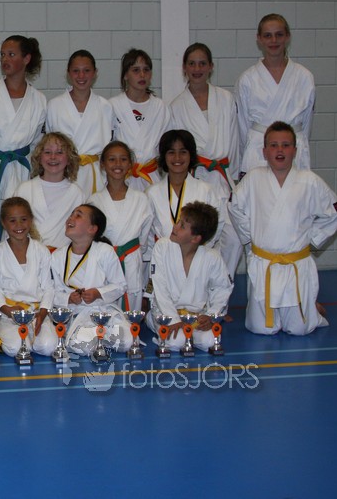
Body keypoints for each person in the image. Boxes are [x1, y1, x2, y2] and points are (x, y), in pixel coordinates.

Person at [229, 121, 337, 336]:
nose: (279, 150)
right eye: (273, 145)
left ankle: (310, 309)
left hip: (295, 265)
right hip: (264, 263)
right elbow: (234, 206)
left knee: (299, 330)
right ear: (264, 152)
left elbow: (336, 211)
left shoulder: (309, 181)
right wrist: (249, 236)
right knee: (261, 329)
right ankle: (305, 307)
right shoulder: (253, 178)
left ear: (295, 151)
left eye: (286, 145)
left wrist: (312, 237)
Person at [170, 42, 243, 277]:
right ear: (184, 68)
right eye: (192, 64)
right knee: (200, 238)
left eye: (202, 63)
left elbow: (235, 139)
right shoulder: (177, 106)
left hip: (222, 177)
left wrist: (234, 176)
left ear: (211, 66)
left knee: (234, 236)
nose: (197, 69)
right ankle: (199, 288)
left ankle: (222, 287)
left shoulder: (226, 98)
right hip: (197, 177)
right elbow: (178, 150)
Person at [0, 36, 47, 227]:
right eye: (2, 54)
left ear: (26, 59)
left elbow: (37, 144)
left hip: (20, 170)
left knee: (17, 221)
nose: (5, 59)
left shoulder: (39, 100)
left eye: (11, 54)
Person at [147, 202, 233, 352]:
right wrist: (172, 319)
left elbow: (222, 288)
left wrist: (211, 316)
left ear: (195, 238)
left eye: (182, 226)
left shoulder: (212, 257)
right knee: (177, 342)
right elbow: (159, 286)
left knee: (210, 341)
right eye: (178, 221)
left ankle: (189, 333)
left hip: (196, 316)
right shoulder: (162, 247)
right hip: (166, 311)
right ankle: (152, 319)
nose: (175, 227)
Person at [236, 14, 314, 175]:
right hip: (259, 150)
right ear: (259, 39)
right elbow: (243, 127)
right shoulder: (247, 79)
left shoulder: (304, 76)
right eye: (267, 35)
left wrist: (295, 142)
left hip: (293, 149)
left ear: (287, 37)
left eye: (279, 34)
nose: (274, 40)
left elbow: (307, 123)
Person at [50, 204, 132, 356]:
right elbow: (53, 291)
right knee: (81, 346)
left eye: (78, 215)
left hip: (104, 311)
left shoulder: (105, 251)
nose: (71, 218)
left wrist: (98, 293)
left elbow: (120, 285)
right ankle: (95, 336)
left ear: (92, 229)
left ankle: (101, 335)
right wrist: (68, 298)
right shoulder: (57, 256)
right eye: (71, 214)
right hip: (78, 314)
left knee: (126, 342)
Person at [88, 141, 154, 313]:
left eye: (123, 159)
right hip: (104, 261)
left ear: (130, 164)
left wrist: (134, 252)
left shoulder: (141, 199)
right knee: (104, 308)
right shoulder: (94, 200)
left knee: (131, 309)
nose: (118, 164)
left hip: (131, 260)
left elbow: (144, 238)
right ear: (102, 164)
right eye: (112, 159)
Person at [0, 197, 54, 357]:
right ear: (3, 223)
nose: (19, 225)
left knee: (48, 346)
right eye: (12, 221)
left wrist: (43, 313)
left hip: (37, 312)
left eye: (23, 219)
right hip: (9, 314)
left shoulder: (41, 251)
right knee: (16, 348)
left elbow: (48, 287)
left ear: (30, 220)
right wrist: (8, 310)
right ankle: (5, 334)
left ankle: (34, 335)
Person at [146, 130, 226, 252]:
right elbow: (148, 233)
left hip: (198, 254)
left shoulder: (206, 190)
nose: (177, 158)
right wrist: (160, 253)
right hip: (164, 256)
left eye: (183, 152)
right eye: (171, 152)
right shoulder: (151, 193)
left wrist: (196, 252)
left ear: (191, 155)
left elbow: (216, 227)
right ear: (163, 156)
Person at [46, 50, 114, 194]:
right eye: (76, 71)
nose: (81, 76)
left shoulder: (105, 106)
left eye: (86, 70)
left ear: (95, 73)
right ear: (68, 73)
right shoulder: (54, 105)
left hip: (95, 174)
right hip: (64, 171)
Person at [109, 48, 172, 191]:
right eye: (136, 70)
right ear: (126, 75)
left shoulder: (160, 107)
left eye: (146, 70)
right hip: (121, 177)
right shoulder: (113, 106)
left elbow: (167, 147)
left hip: (151, 178)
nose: (142, 75)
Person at [11, 132, 86, 250]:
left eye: (59, 152)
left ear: (69, 158)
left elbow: (81, 234)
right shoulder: (24, 189)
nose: (53, 157)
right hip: (27, 253)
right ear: (39, 157)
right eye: (47, 152)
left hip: (62, 257)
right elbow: (12, 227)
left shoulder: (76, 194)